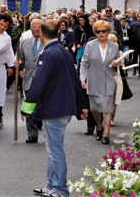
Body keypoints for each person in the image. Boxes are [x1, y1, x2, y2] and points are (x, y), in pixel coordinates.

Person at [22, 20, 88, 197]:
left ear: (41, 33)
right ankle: (51, 185)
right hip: (63, 107)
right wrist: (81, 105)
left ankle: (60, 189)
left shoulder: (49, 53)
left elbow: (38, 82)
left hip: (54, 108)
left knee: (55, 150)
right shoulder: (63, 51)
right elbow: (75, 80)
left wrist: (26, 107)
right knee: (52, 149)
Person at [79, 20, 120, 145]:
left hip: (109, 79)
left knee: (107, 108)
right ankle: (99, 126)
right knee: (95, 108)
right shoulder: (90, 45)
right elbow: (84, 63)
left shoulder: (115, 46)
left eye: (104, 31)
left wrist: (115, 64)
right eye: (98, 31)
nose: (101, 33)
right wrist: (82, 79)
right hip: (94, 79)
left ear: (108, 32)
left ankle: (106, 134)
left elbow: (119, 63)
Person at [15, 18, 44, 143]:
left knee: (43, 105)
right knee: (29, 105)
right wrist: (20, 67)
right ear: (31, 28)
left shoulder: (47, 42)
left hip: (43, 79)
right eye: (34, 27)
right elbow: (20, 58)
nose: (36, 29)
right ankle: (32, 134)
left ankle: (45, 129)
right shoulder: (24, 42)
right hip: (28, 77)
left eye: (39, 27)